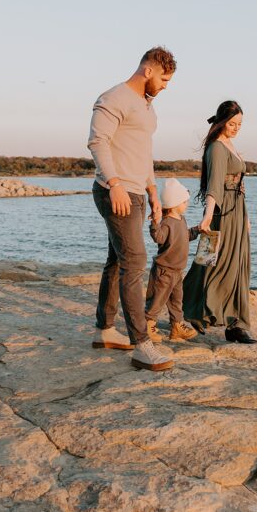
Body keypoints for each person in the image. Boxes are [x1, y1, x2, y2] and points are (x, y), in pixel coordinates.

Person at [87, 46, 176, 371]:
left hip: (138, 192)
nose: (166, 85)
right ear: (148, 71)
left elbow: (143, 152)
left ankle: (105, 330)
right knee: (135, 261)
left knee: (117, 260)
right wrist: (115, 184)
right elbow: (98, 142)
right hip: (116, 193)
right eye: (164, 79)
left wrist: (153, 191)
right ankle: (141, 345)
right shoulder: (113, 98)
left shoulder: (147, 107)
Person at [183, 100, 257, 343]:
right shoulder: (216, 147)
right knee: (211, 261)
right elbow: (214, 185)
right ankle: (193, 310)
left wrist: (245, 217)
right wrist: (207, 216)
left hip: (236, 211)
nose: (236, 128)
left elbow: (237, 183)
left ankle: (235, 323)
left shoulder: (230, 144)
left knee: (236, 264)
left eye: (240, 124)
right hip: (221, 212)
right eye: (232, 123)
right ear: (221, 121)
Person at [145, 178, 200, 343]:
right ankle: (148, 325)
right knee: (157, 299)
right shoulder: (167, 222)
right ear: (175, 204)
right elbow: (159, 238)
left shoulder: (181, 220)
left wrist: (197, 230)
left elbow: (185, 237)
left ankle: (176, 326)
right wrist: (155, 223)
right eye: (184, 202)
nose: (187, 204)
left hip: (177, 271)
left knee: (177, 301)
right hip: (164, 270)